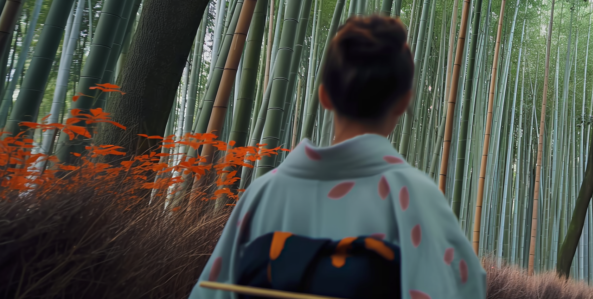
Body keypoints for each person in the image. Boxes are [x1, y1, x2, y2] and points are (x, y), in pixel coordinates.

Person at [190, 15, 485, 299]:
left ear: (324, 96)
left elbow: (212, 290)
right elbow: (461, 288)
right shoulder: (415, 197)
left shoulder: (263, 193)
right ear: (404, 101)